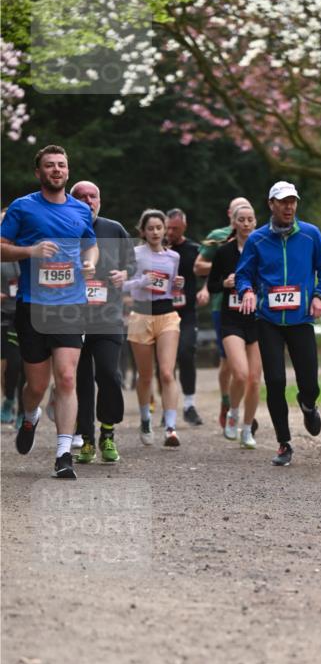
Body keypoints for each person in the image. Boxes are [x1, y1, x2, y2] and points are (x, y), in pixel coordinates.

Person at [0, 144, 97, 479]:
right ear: (38, 172)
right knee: (37, 386)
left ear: (68, 171)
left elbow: (92, 243)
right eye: (50, 165)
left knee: (67, 377)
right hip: (33, 305)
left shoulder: (81, 210)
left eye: (61, 165)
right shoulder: (22, 207)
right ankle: (30, 416)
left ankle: (63, 453)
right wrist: (30, 250)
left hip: (70, 305)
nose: (56, 170)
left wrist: (89, 263)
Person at [236, 181, 321, 466]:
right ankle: (283, 442)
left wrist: (318, 295)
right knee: (275, 381)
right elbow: (243, 275)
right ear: (271, 205)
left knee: (309, 382)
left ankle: (308, 404)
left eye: (292, 201)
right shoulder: (257, 239)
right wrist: (248, 292)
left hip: (301, 319)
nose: (289, 206)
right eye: (283, 202)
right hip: (269, 320)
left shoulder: (311, 235)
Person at [70, 180, 135, 463]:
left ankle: (107, 431)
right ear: (71, 201)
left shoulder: (114, 228)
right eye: (81, 197)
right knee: (80, 381)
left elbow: (132, 263)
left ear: (100, 199)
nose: (88, 201)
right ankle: (86, 438)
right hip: (72, 319)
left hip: (108, 318)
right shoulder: (64, 229)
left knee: (109, 374)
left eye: (92, 196)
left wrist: (124, 274)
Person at [123, 209, 184, 447]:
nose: (155, 232)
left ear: (165, 229)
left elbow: (173, 289)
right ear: (143, 231)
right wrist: (141, 281)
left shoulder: (174, 258)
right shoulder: (135, 254)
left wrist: (179, 284)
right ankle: (146, 418)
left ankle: (170, 427)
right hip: (141, 315)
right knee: (145, 375)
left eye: (159, 227)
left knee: (167, 373)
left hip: (167, 315)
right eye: (151, 228)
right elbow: (121, 284)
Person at [206, 203, 262, 448]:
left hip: (258, 320)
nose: (247, 224)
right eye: (242, 220)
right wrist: (226, 284)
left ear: (256, 223)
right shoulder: (224, 252)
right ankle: (233, 413)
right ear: (235, 223)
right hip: (232, 320)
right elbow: (211, 285)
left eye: (251, 219)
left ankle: (248, 429)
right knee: (239, 374)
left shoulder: (263, 250)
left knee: (254, 379)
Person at [195, 197, 253, 429]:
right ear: (231, 214)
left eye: (249, 217)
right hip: (224, 305)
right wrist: (228, 271)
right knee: (228, 362)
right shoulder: (218, 236)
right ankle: (226, 401)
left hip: (252, 308)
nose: (245, 221)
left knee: (250, 368)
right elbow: (199, 267)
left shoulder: (257, 239)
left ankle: (244, 408)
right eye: (239, 215)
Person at [166, 208, 204, 426]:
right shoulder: (157, 248)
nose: (171, 232)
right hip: (163, 311)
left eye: (176, 229)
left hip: (187, 313)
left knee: (187, 352)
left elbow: (211, 270)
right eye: (168, 227)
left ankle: (189, 405)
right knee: (165, 362)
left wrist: (206, 289)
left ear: (184, 228)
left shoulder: (193, 250)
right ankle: (167, 407)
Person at [0, 215, 23, 424]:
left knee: (25, 364)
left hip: (27, 312)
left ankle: (24, 410)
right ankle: (8, 399)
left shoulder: (27, 248)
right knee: (10, 364)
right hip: (4, 314)